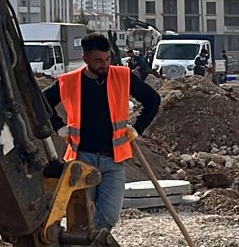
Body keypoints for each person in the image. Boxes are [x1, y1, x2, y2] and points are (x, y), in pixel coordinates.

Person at [38, 34, 164, 234]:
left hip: (113, 159)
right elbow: (41, 103)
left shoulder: (123, 76)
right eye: (98, 61)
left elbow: (153, 100)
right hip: (82, 159)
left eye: (107, 59)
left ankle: (91, 245)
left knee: (109, 215)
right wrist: (59, 126)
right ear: (86, 58)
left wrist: (136, 129)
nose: (105, 65)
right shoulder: (70, 81)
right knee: (81, 214)